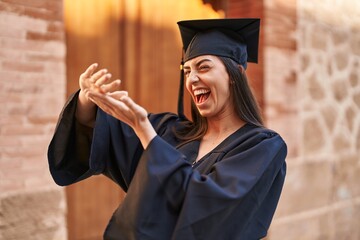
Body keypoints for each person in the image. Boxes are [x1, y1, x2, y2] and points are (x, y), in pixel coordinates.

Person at [48, 18, 287, 240]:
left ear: (236, 74)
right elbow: (106, 134)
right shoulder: (170, 131)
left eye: (203, 67)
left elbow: (212, 214)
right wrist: (87, 101)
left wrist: (145, 133)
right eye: (187, 71)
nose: (192, 79)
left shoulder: (262, 147)